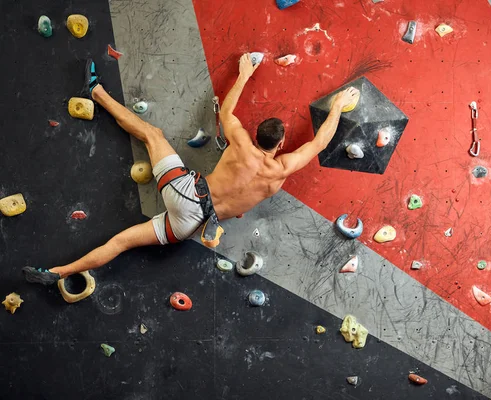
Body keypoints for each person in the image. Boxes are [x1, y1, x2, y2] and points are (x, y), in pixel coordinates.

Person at [23, 54, 359, 286]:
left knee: (150, 134)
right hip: (193, 224)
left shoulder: (240, 142)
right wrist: (338, 108)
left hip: (185, 192)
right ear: (282, 142)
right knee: (122, 242)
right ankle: (59, 273)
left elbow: (226, 112)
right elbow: (317, 145)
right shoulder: (281, 169)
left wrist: (243, 73)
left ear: (256, 133)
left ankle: (95, 91)